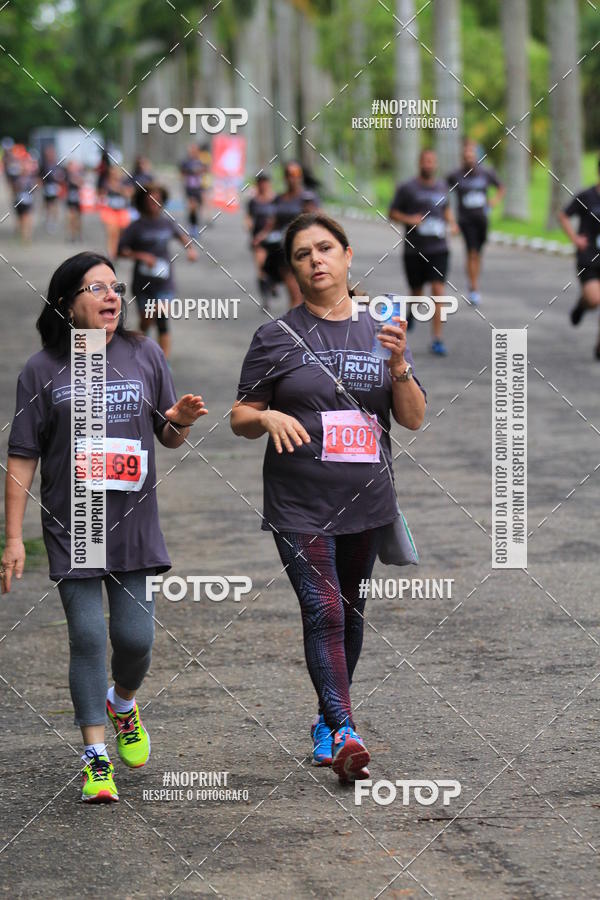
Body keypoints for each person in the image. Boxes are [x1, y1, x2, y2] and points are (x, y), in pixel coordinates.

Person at [1, 251, 208, 803]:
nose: (112, 295)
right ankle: (96, 759)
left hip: (133, 523)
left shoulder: (144, 353)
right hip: (75, 522)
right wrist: (14, 537)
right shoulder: (43, 369)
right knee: (89, 638)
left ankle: (123, 702)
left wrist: (180, 422)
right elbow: (21, 455)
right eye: (96, 288)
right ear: (68, 305)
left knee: (135, 639)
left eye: (115, 286)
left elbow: (166, 433)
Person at [231, 212, 426, 782]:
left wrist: (398, 365)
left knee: (351, 610)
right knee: (323, 608)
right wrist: (266, 417)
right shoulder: (276, 335)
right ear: (292, 269)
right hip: (299, 499)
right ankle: (345, 729)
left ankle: (325, 720)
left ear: (346, 256)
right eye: (302, 254)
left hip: (366, 497)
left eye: (325, 249)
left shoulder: (384, 324)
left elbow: (412, 419)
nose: (315, 260)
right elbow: (240, 414)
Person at [389, 147, 459, 356]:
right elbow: (392, 212)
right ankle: (412, 312)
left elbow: (446, 210)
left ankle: (437, 339)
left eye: (431, 161)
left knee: (438, 291)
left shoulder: (442, 187)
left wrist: (453, 224)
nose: (428, 164)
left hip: (439, 248)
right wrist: (410, 220)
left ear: (435, 164)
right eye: (425, 161)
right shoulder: (407, 188)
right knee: (417, 293)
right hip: (414, 250)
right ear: (419, 163)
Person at [118, 183, 197, 359]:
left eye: (157, 200)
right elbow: (121, 251)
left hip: (165, 282)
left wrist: (190, 250)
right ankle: (142, 343)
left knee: (162, 321)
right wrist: (141, 256)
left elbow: (183, 237)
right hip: (143, 284)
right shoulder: (136, 226)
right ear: (142, 202)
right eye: (150, 200)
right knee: (147, 320)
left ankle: (163, 363)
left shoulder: (167, 223)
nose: (154, 203)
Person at [446, 139, 505, 306]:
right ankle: (473, 288)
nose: (469, 158)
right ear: (462, 157)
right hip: (466, 220)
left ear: (477, 156)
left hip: (482, 219)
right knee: (471, 252)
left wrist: (493, 201)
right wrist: (451, 220)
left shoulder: (486, 173)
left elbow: (501, 187)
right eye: (466, 155)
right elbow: (443, 193)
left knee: (478, 253)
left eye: (472, 154)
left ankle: (473, 281)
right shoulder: (455, 175)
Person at [254, 162, 320, 309]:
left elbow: (319, 218)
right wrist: (261, 235)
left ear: (300, 176)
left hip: (306, 249)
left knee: (305, 295)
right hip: (285, 251)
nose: (292, 178)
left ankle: (300, 327)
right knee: (295, 294)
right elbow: (273, 222)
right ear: (284, 177)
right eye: (289, 175)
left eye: (295, 174)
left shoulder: (307, 197)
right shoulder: (280, 199)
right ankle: (292, 329)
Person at [559, 157, 600, 358]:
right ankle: (583, 305)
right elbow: (563, 215)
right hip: (588, 258)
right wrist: (575, 238)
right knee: (595, 300)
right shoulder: (587, 196)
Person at [245, 172, 276, 309]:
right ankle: (265, 297)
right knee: (261, 267)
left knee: (274, 267)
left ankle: (273, 283)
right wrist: (248, 224)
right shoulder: (253, 201)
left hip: (274, 239)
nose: (263, 185)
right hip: (258, 239)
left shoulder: (276, 199)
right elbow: (248, 217)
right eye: (261, 183)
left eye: (265, 182)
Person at [98, 166, 132, 258]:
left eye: (117, 173)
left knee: (121, 234)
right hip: (110, 211)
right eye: (113, 173)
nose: (115, 175)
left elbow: (130, 194)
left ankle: (117, 250)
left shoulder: (125, 183)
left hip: (121, 212)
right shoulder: (106, 183)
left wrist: (121, 189)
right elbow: (101, 195)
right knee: (112, 233)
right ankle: (111, 254)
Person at [179, 144, 206, 238]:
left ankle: (193, 225)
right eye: (191, 150)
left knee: (196, 208)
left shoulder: (201, 162)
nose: (193, 152)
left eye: (195, 150)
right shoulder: (185, 162)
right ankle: (193, 227)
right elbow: (182, 174)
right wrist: (190, 172)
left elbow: (203, 173)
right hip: (189, 188)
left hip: (198, 188)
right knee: (192, 207)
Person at [39, 145, 66, 233]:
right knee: (48, 205)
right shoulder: (44, 164)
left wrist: (60, 180)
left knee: (54, 204)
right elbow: (40, 176)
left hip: (55, 187)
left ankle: (54, 221)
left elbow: (62, 175)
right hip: (47, 187)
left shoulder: (57, 164)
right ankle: (49, 221)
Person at [13, 155, 38, 243]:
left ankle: (27, 237)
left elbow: (35, 188)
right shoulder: (16, 177)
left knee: (27, 218)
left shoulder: (32, 177)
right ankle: (23, 236)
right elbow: (15, 189)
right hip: (19, 201)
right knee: (21, 220)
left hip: (28, 201)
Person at [64, 160, 83, 242]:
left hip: (78, 200)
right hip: (70, 200)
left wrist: (76, 179)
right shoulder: (66, 176)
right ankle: (72, 236)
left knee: (77, 219)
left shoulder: (79, 175)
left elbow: (81, 184)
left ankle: (78, 234)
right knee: (71, 218)